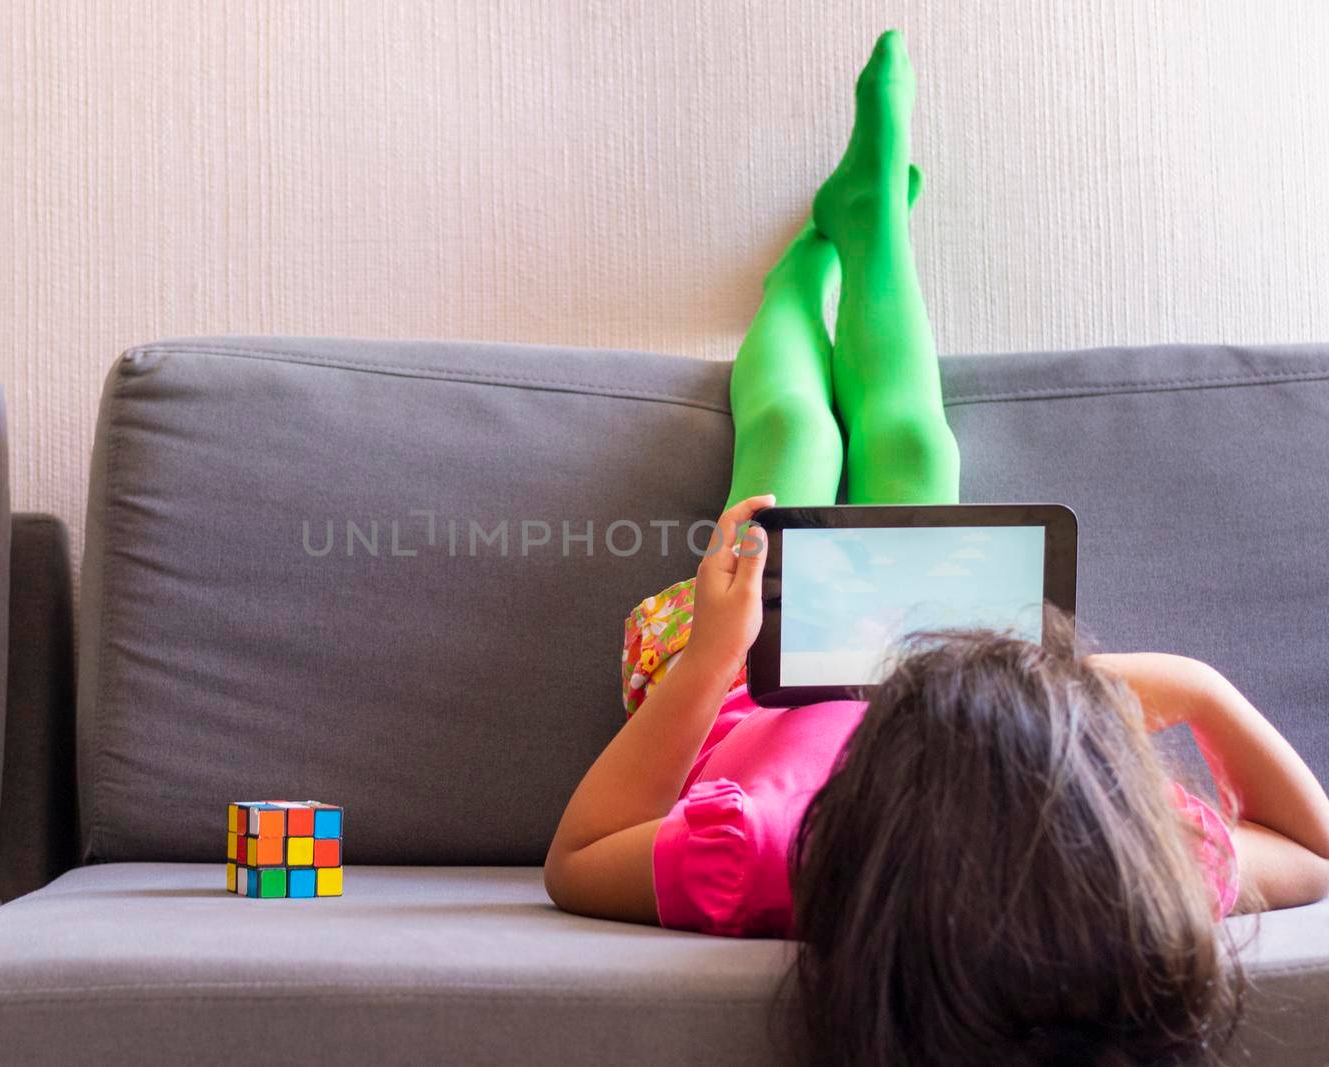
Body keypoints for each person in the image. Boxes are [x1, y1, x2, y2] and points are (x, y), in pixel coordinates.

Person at [544, 29, 1329, 1065]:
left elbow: (577, 855)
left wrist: (711, 660)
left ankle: (799, 278)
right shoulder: (1126, 871)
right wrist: (1195, 682)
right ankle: (870, 232)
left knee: (793, 441)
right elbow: (1316, 850)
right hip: (912, 635)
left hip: (735, 672)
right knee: (914, 447)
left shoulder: (768, 857)